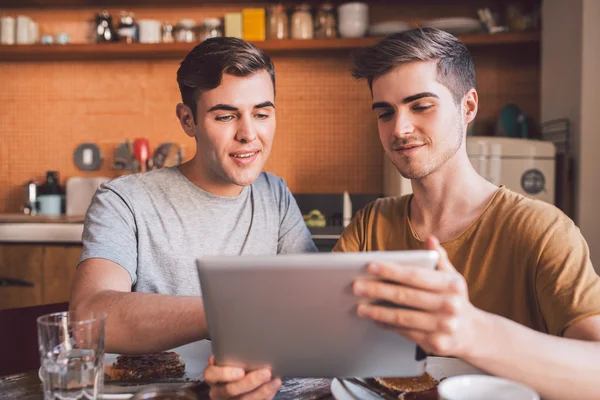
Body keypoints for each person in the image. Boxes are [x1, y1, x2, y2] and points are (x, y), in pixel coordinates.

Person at [204, 28, 600, 400]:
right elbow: (317, 346)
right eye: (385, 113)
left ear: (468, 106)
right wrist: (250, 379)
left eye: (421, 106)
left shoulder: (541, 229)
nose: (400, 128)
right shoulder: (370, 225)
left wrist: (474, 332)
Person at [70, 37, 316, 398]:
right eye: (226, 116)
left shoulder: (274, 194)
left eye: (262, 114)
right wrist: (224, 312)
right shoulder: (125, 199)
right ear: (188, 120)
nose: (249, 134)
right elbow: (88, 319)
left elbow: (309, 305)